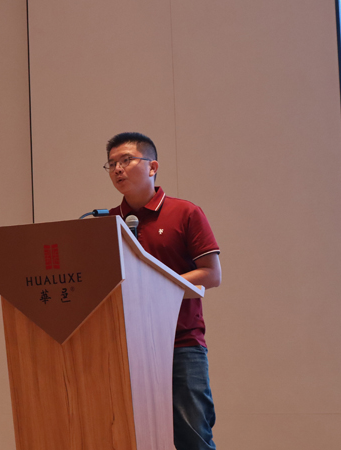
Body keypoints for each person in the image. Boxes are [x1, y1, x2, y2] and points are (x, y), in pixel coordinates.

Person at [104, 132, 221, 450]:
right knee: (131, 437)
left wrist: (153, 289)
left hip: (180, 343)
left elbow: (211, 274)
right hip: (126, 347)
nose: (118, 169)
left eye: (126, 160)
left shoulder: (185, 213)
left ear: (152, 166)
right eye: (112, 164)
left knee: (193, 438)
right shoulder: (107, 222)